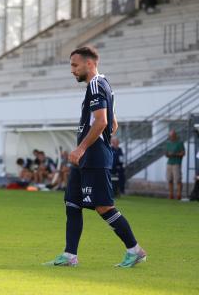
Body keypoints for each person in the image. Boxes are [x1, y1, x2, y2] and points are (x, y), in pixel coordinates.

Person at [45, 46, 146, 268]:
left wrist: (81, 148)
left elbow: (102, 122)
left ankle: (134, 250)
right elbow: (113, 123)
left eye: (75, 65)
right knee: (72, 202)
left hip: (93, 157)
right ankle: (70, 255)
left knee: (103, 207)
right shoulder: (103, 83)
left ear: (89, 64)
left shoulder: (95, 85)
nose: (72, 70)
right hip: (87, 158)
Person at [165, 129, 185, 200]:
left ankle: (179, 195)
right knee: (169, 179)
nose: (171, 137)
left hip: (176, 163)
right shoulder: (168, 143)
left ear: (175, 135)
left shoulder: (179, 143)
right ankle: (171, 195)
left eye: (172, 136)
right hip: (169, 163)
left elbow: (183, 153)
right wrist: (168, 154)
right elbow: (166, 153)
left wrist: (175, 154)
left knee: (178, 180)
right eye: (170, 136)